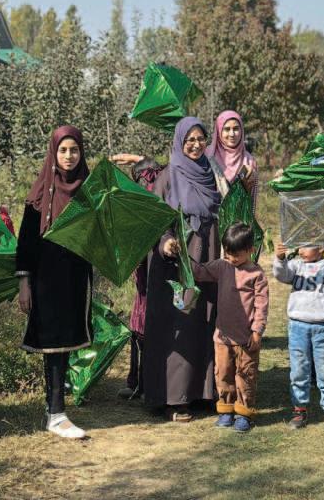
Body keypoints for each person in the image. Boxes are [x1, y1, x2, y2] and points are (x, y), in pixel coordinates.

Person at [144, 116, 227, 421]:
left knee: (204, 321)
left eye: (200, 139)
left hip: (207, 254)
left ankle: (203, 392)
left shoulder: (210, 172)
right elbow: (154, 219)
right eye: (189, 140)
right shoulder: (167, 176)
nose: (195, 145)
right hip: (176, 262)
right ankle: (174, 398)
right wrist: (165, 242)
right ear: (179, 142)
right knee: (179, 322)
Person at [16, 126, 91, 439]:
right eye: (63, 150)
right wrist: (24, 283)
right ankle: (56, 413)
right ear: (53, 153)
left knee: (67, 341)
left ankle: (55, 410)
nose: (69, 156)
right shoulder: (41, 192)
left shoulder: (89, 189)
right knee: (53, 343)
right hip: (47, 278)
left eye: (74, 150)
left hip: (76, 277)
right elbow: (26, 243)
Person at [190, 223, 269, 434]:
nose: (231, 257)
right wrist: (184, 257)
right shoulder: (222, 266)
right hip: (223, 337)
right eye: (227, 252)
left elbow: (262, 305)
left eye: (235, 254)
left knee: (246, 376)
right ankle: (226, 410)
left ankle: (243, 412)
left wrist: (257, 331)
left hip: (246, 339)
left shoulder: (256, 275)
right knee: (223, 373)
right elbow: (200, 272)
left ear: (250, 250)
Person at [273, 238, 324, 432]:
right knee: (298, 370)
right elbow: (281, 275)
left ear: (322, 248)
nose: (301, 250)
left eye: (306, 246)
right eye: (300, 246)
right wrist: (280, 258)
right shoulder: (295, 265)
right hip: (298, 326)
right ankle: (299, 408)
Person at [110, 155, 163, 400]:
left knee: (143, 328)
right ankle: (143, 383)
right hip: (152, 279)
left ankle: (141, 383)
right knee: (146, 328)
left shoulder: (137, 201)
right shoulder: (165, 193)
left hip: (151, 278)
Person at [207, 110, 259, 209]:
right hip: (211, 220)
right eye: (227, 129)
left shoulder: (249, 161)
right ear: (219, 131)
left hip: (237, 220)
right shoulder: (207, 156)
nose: (232, 134)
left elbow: (251, 201)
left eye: (236, 129)